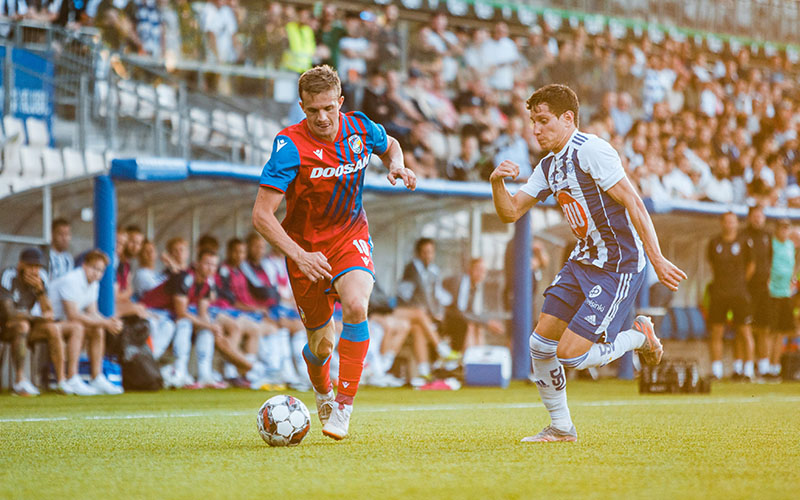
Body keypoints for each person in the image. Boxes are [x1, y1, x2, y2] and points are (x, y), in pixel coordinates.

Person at [489, 84, 686, 443]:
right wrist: (497, 183)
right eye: (533, 122)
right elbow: (511, 212)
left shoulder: (591, 150)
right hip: (583, 261)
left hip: (618, 265)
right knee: (540, 345)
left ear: (568, 118)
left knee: (569, 355)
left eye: (543, 121)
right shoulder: (548, 165)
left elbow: (634, 203)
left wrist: (656, 258)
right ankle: (561, 427)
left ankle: (637, 337)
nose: (536, 129)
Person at [252, 64, 416, 440]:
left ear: (340, 101)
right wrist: (299, 255)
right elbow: (261, 216)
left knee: (356, 305)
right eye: (313, 110)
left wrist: (397, 165)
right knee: (321, 345)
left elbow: (390, 144)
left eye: (329, 108)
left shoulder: (360, 127)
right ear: (302, 107)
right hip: (305, 250)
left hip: (349, 236)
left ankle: (343, 406)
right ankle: (323, 391)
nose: (322, 117)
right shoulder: (289, 147)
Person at [0, 248, 78, 396]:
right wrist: (36, 318)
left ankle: (61, 381)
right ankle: (20, 382)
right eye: (30, 266)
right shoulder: (8, 276)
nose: (34, 271)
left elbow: (49, 313)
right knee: (22, 326)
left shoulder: (41, 278)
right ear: (20, 265)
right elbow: (9, 314)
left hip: (27, 325)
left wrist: (40, 291)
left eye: (37, 267)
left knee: (53, 328)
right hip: (6, 327)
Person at [48, 249, 125, 395]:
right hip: (49, 321)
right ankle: (72, 378)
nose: (97, 273)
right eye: (94, 268)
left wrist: (109, 322)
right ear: (84, 265)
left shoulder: (94, 284)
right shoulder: (72, 280)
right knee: (78, 327)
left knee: (97, 329)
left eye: (101, 271)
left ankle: (97, 377)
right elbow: (73, 315)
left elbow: (92, 313)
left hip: (65, 323)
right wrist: (105, 323)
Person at [707, 211, 756, 380]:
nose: (729, 224)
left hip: (739, 293)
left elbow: (751, 266)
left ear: (737, 223)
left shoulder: (744, 242)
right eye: (726, 221)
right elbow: (712, 264)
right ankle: (717, 371)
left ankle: (747, 370)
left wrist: (739, 282)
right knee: (716, 331)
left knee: (744, 331)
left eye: (732, 221)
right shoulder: (714, 242)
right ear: (722, 223)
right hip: (719, 293)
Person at [741, 205, 773, 378]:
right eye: (755, 216)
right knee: (744, 328)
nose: (757, 219)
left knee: (764, 328)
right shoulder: (743, 236)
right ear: (749, 217)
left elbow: (771, 260)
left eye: (760, 216)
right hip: (747, 289)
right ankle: (744, 367)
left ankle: (764, 367)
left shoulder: (768, 236)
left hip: (764, 288)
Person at [767, 219, 795, 379]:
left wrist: (792, 281)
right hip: (772, 293)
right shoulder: (771, 244)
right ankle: (765, 365)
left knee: (781, 332)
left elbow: (793, 266)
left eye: (787, 228)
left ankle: (775, 366)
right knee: (769, 331)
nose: (784, 231)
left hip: (785, 293)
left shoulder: (790, 246)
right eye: (782, 228)